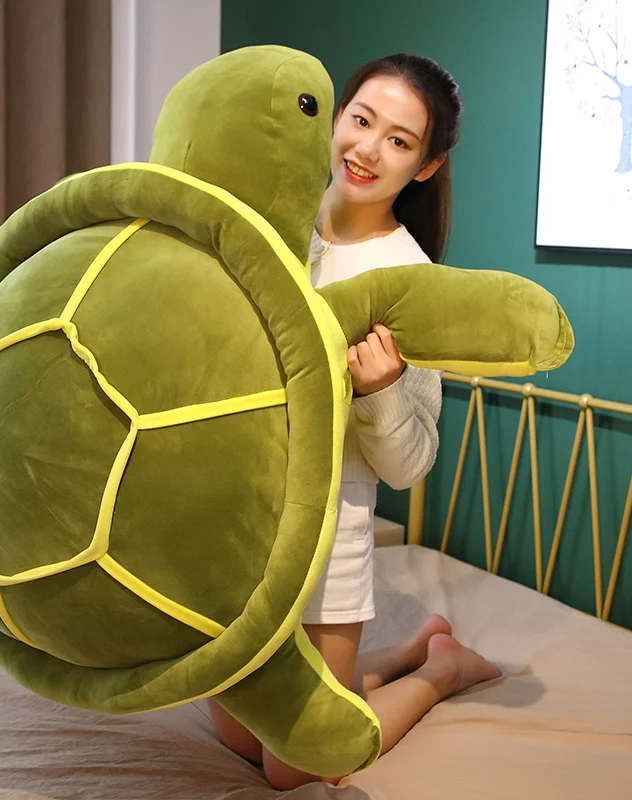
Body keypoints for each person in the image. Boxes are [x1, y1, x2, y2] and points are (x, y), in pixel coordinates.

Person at [208, 53, 502, 790]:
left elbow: (409, 466)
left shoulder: (411, 281)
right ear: (338, 116)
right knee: (235, 735)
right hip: (240, 524)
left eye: (399, 141)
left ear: (426, 166)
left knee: (294, 771)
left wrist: (381, 391)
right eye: (361, 120)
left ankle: (439, 672)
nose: (367, 149)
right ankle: (403, 653)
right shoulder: (272, 224)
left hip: (326, 536)